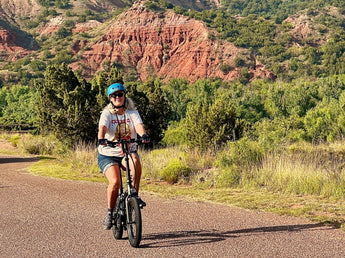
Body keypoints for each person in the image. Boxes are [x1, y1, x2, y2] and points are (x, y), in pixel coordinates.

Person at [97, 83, 150, 230]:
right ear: (110, 99)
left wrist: (143, 135)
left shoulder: (131, 112)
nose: (118, 97)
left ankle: (135, 194)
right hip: (108, 154)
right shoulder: (107, 113)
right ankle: (109, 212)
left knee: (136, 161)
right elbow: (102, 128)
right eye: (114, 96)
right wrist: (101, 138)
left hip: (127, 152)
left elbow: (138, 126)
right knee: (115, 182)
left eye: (120, 94)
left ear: (124, 95)